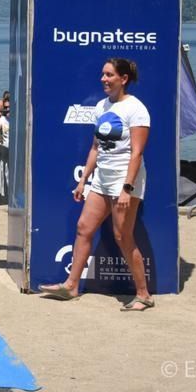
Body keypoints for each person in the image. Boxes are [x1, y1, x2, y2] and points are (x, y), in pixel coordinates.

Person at [39, 58, 153, 311]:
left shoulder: (136, 109)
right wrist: (83, 180)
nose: (103, 79)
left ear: (123, 79)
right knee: (84, 227)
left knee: (122, 236)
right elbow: (95, 147)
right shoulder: (102, 106)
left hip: (125, 179)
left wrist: (127, 188)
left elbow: (137, 153)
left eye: (109, 75)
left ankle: (143, 294)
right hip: (102, 178)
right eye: (103, 74)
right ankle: (71, 286)